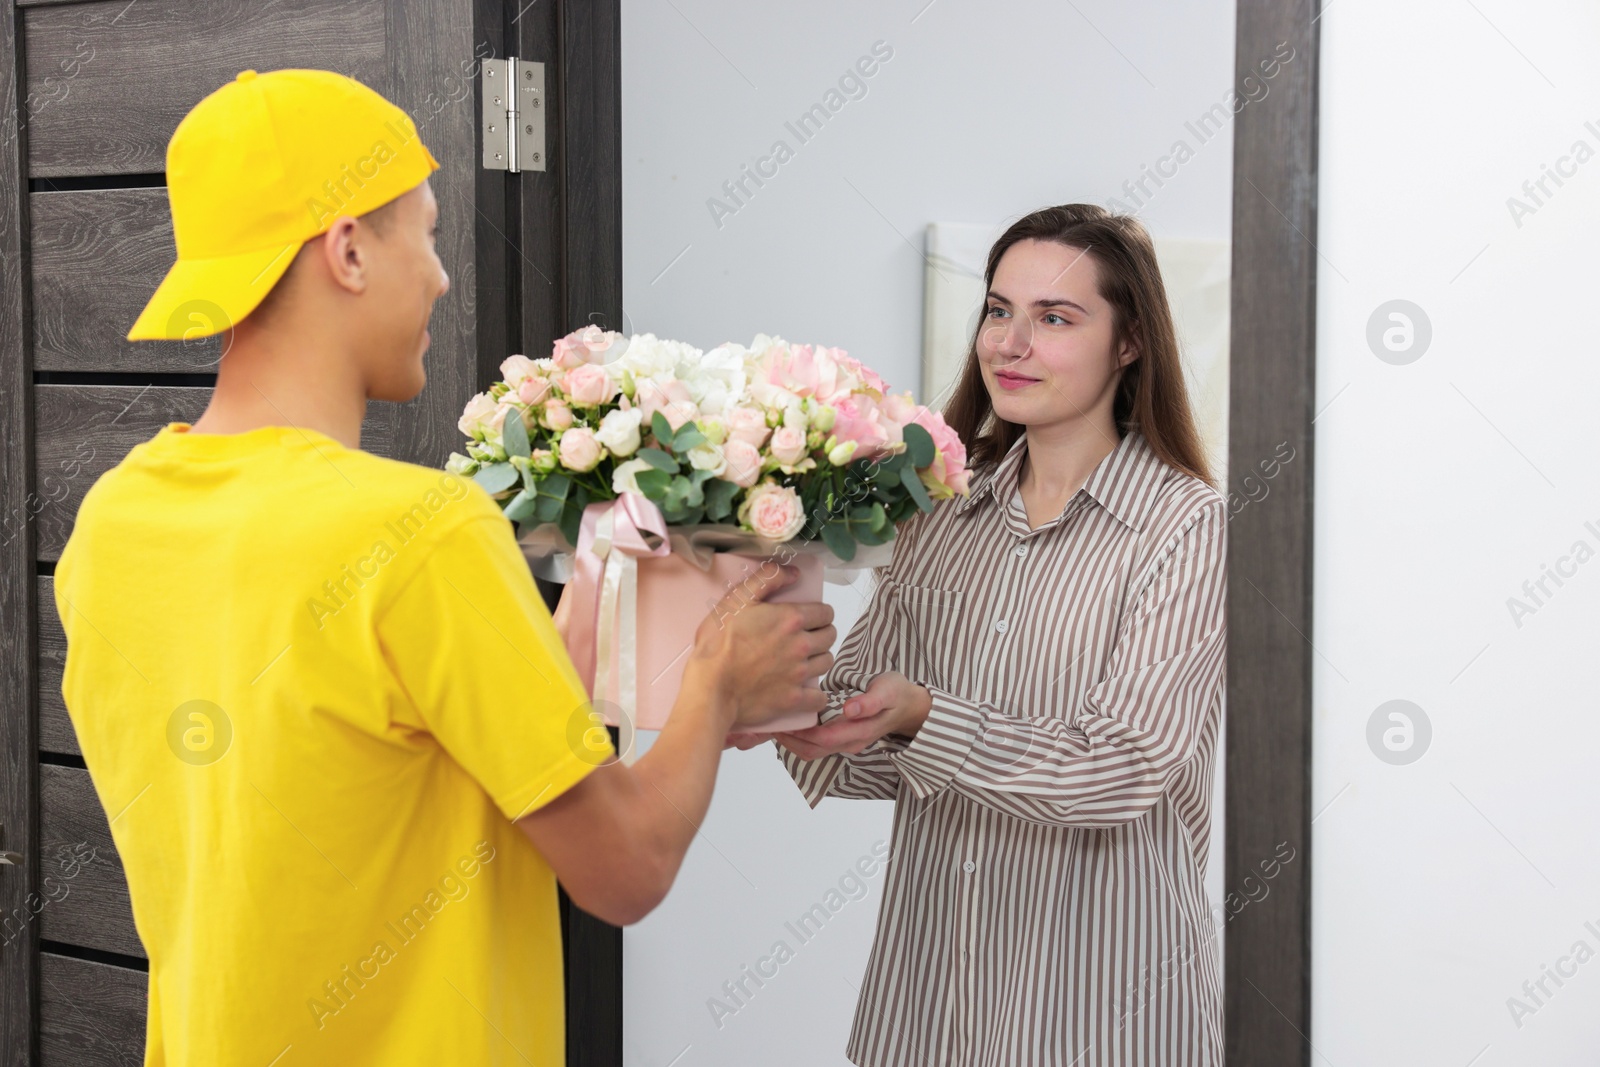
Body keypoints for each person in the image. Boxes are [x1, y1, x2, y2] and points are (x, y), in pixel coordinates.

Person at [53, 68, 835, 1066]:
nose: (441, 273)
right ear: (346, 250)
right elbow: (624, 867)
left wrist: (591, 586)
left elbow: (390, 749)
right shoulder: (421, 530)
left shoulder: (115, 518)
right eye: (421, 232)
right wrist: (717, 685)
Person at [746, 204, 1228, 1066]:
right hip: (936, 1004)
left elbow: (1121, 769)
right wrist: (786, 701)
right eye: (999, 310)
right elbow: (866, 746)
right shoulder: (937, 511)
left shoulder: (1187, 526)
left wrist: (926, 714)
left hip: (1106, 1012)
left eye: (1055, 318)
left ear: (1129, 343)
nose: (1010, 343)